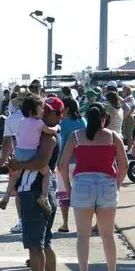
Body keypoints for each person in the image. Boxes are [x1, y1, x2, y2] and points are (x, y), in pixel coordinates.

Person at [59, 105, 127, 271]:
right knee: (107, 234)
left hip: (82, 184)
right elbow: (124, 164)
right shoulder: (113, 137)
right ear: (104, 119)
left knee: (83, 235)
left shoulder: (76, 137)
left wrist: (68, 186)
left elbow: (62, 164)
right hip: (107, 184)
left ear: (87, 118)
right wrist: (117, 184)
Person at [6, 102, 62, 271]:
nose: (42, 114)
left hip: (33, 192)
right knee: (45, 243)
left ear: (56, 115)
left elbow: (40, 162)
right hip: (43, 191)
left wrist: (18, 163)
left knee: (35, 245)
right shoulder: (44, 133)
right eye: (42, 110)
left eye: (46, 111)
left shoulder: (49, 138)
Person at [0, 95, 61, 214]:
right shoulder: (38, 123)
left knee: (15, 175)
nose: (43, 111)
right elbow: (49, 131)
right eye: (41, 108)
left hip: (19, 151)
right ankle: (44, 198)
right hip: (30, 153)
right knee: (47, 174)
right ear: (32, 111)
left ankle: (6, 196)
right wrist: (57, 127)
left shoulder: (21, 121)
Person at [55, 98, 87, 233]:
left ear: (66, 109)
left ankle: (66, 224)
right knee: (81, 194)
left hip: (66, 162)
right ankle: (83, 224)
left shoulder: (64, 123)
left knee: (64, 194)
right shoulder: (83, 121)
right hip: (81, 162)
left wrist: (57, 163)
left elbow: (61, 144)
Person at [1, 87, 27, 234]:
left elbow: (6, 141)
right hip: (37, 156)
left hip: (18, 156)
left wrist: (3, 159)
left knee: (18, 191)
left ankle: (22, 221)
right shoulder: (36, 117)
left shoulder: (11, 119)